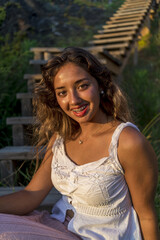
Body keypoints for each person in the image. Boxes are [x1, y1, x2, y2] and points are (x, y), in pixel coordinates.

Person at [0, 47, 159, 240]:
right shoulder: (61, 138)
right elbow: (31, 195)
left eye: (82, 86)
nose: (73, 100)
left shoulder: (127, 141)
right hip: (57, 227)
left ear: (100, 84)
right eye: (62, 92)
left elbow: (146, 216)